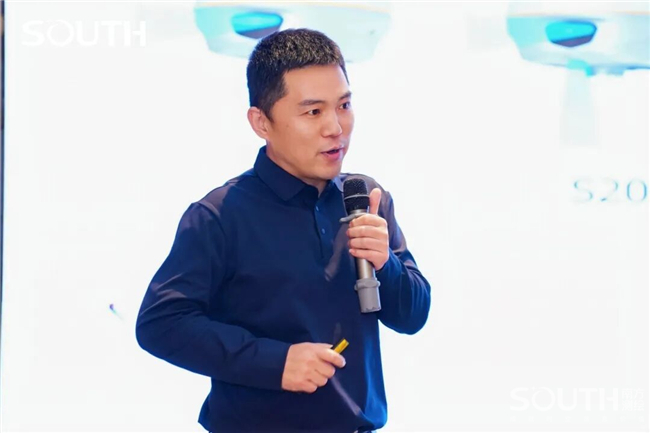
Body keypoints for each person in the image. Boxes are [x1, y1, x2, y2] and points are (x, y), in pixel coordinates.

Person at [136, 28, 431, 433]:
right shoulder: (220, 215)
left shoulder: (365, 199)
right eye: (313, 112)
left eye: (344, 105)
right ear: (261, 122)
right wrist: (276, 363)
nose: (336, 127)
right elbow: (161, 323)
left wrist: (386, 265)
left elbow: (413, 316)